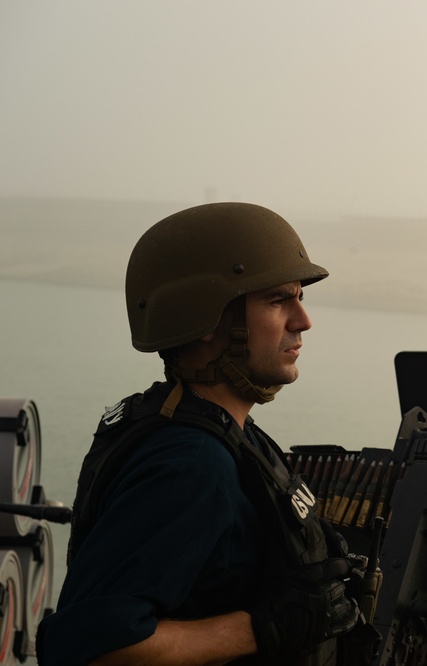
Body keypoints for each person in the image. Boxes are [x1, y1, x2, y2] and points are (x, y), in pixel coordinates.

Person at [36, 202, 363, 665]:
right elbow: (89, 645)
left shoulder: (216, 431)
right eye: (277, 300)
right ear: (208, 320)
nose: (302, 320)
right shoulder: (191, 462)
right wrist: (263, 628)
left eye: (299, 297)